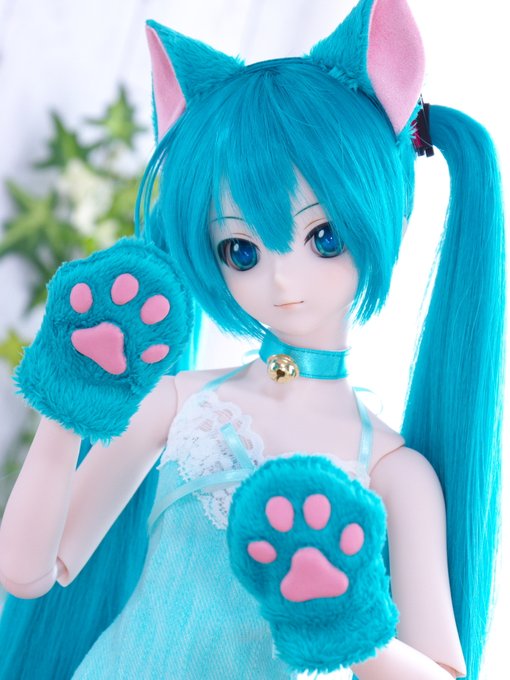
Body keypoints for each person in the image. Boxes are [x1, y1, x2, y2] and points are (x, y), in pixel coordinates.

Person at [0, 0, 505, 678]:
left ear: (386, 217)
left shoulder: (393, 472)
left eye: (324, 237)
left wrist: (347, 624)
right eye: (241, 251)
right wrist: (68, 408)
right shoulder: (183, 403)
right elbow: (30, 571)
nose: (282, 279)